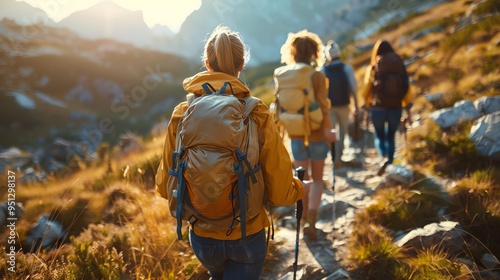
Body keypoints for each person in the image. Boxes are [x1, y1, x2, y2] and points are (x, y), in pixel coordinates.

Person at [155, 25, 304, 280]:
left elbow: (162, 185)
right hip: (247, 235)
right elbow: (281, 192)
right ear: (242, 63)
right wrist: (300, 188)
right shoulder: (255, 113)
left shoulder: (182, 112)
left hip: (201, 237)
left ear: (206, 63)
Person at [275, 30, 336, 241]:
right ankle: (311, 221)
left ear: (293, 52)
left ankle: (300, 219)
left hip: (296, 134)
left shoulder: (283, 75)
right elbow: (324, 107)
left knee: (302, 179)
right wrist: (328, 130)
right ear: (314, 52)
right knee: (317, 179)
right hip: (317, 133)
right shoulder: (317, 75)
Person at [361, 39, 413, 175]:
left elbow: (366, 90)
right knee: (391, 136)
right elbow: (407, 89)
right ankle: (389, 162)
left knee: (380, 136)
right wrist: (408, 110)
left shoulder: (374, 66)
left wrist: (366, 108)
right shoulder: (399, 64)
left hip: (377, 107)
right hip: (396, 107)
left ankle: (383, 157)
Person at [321, 40, 359, 168]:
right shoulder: (346, 68)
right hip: (344, 104)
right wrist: (356, 106)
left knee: (332, 131)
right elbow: (353, 88)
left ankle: (333, 156)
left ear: (328, 56)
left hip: (330, 107)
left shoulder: (323, 71)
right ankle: (339, 156)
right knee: (343, 130)